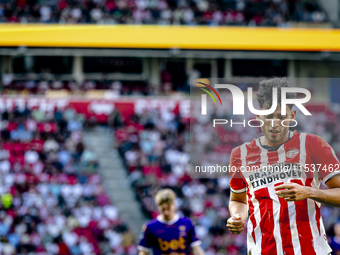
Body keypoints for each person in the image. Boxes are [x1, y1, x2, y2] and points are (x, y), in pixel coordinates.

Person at [227, 77, 340, 255]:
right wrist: (237, 216)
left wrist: (309, 192)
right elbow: (237, 200)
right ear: (258, 116)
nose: (275, 123)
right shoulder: (239, 155)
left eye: (281, 116)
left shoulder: (313, 144)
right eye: (269, 116)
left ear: (292, 116)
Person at [138, 189, 205, 255]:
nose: (166, 212)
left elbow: (195, 248)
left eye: (168, 208)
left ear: (174, 205)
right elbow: (143, 251)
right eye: (163, 209)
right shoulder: (150, 227)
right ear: (158, 207)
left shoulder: (187, 223)